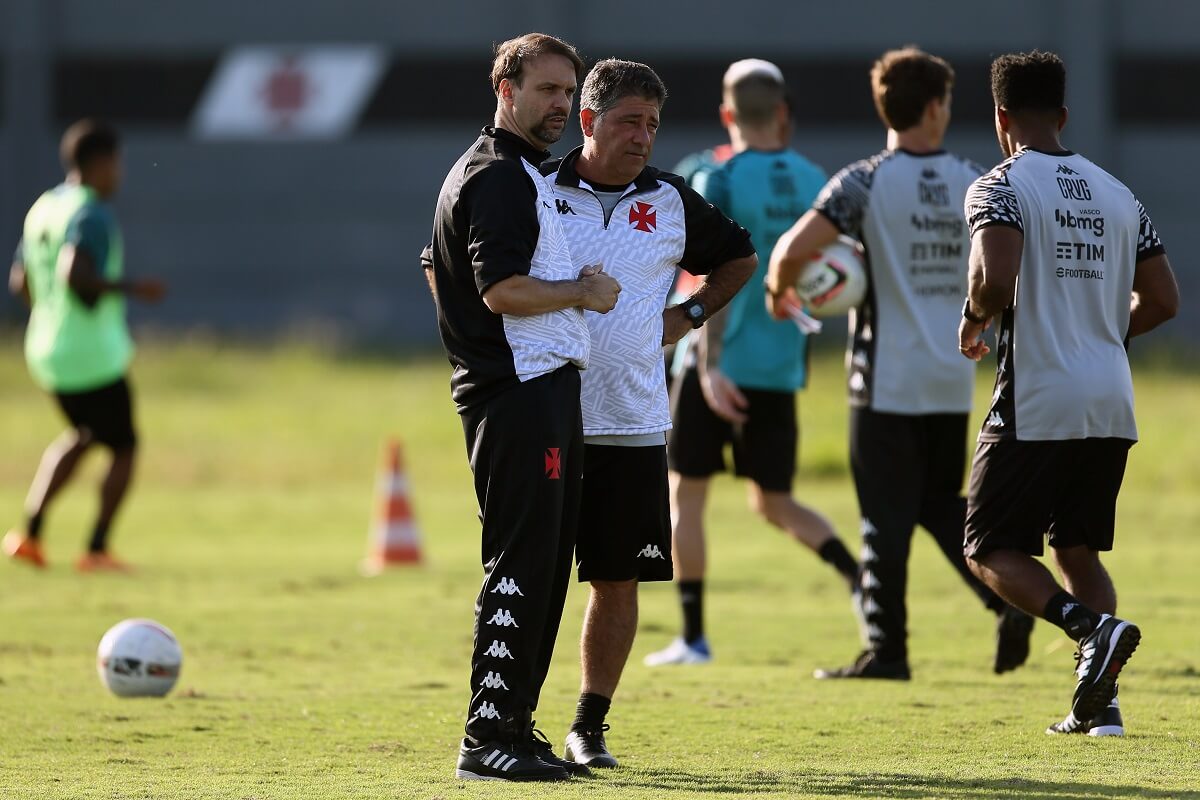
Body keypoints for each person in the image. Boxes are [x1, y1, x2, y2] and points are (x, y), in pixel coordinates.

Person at [767, 47, 1032, 680]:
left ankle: (887, 651)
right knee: (941, 506)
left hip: (883, 379)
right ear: (937, 107)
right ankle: (1005, 600)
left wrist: (783, 292)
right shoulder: (976, 179)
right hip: (951, 373)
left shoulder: (864, 181)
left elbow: (791, 250)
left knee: (883, 518)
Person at [540, 59, 757, 767]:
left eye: (653, 124)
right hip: (544, 418)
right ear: (588, 121)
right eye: (629, 121)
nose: (643, 136)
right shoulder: (536, 190)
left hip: (633, 422)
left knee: (616, 579)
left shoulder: (670, 198)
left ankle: (588, 726)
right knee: (530, 573)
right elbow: (454, 265)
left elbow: (741, 257)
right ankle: (507, 720)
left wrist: (687, 314)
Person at [958, 50, 1178, 736]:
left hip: (1039, 393)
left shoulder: (997, 187)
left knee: (987, 548)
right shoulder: (1119, 193)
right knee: (1077, 548)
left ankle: (1092, 630)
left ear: (1000, 118)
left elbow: (995, 280)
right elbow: (1164, 300)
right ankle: (1100, 710)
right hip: (1110, 396)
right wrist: (1101, 336)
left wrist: (974, 317)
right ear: (1062, 115)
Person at [422, 33, 621, 782]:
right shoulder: (498, 177)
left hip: (534, 387)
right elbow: (498, 289)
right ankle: (486, 738)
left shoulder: (513, 174)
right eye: (546, 90)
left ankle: (515, 725)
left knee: (545, 563)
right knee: (520, 561)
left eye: (569, 92)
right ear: (504, 89)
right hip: (517, 396)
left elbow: (433, 266)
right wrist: (579, 293)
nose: (562, 105)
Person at [643, 59, 859, 668]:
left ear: (727, 114)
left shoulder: (718, 177)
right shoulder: (816, 176)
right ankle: (857, 576)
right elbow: (840, 260)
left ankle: (693, 637)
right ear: (783, 113)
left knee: (684, 496)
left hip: (718, 363)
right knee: (774, 500)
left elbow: (718, 275)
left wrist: (708, 366)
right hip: (781, 364)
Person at [5, 119, 164, 572]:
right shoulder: (90, 213)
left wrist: (51, 312)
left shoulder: (45, 207)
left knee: (85, 434)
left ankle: (30, 534)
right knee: (125, 446)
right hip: (90, 355)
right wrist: (135, 290)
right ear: (100, 163)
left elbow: (20, 282)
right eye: (118, 163)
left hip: (45, 348)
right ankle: (96, 549)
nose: (120, 173)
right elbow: (76, 275)